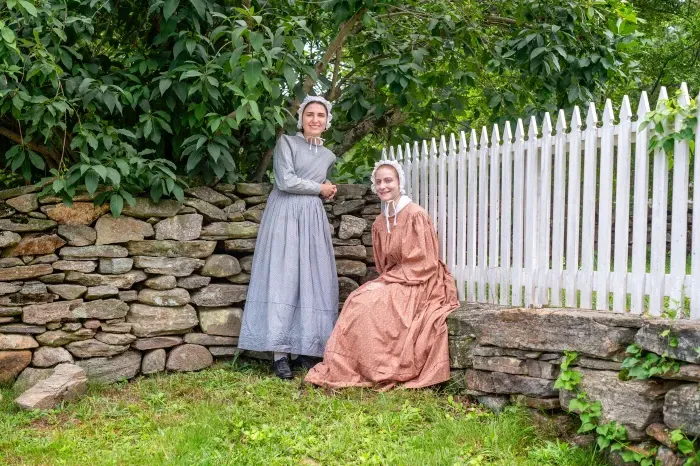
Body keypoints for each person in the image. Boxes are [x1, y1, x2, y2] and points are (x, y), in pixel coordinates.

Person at [305, 160, 459, 389]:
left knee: (369, 304)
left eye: (389, 180)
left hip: (422, 281)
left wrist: (389, 282)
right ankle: (353, 366)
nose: (383, 186)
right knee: (357, 299)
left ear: (399, 183)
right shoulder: (380, 221)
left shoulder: (415, 214)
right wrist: (386, 281)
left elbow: (425, 262)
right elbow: (384, 265)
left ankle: (378, 367)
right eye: (379, 182)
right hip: (397, 278)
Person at [238, 96, 339, 380]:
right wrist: (320, 188)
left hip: (311, 219)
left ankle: (306, 348)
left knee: (310, 277)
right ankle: (279, 354)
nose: (315, 120)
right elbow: (285, 180)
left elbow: (317, 188)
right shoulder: (287, 143)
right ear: (302, 118)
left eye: (321, 115)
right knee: (282, 277)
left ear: (327, 121)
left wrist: (328, 191)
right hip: (284, 214)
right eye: (310, 115)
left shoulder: (329, 155)